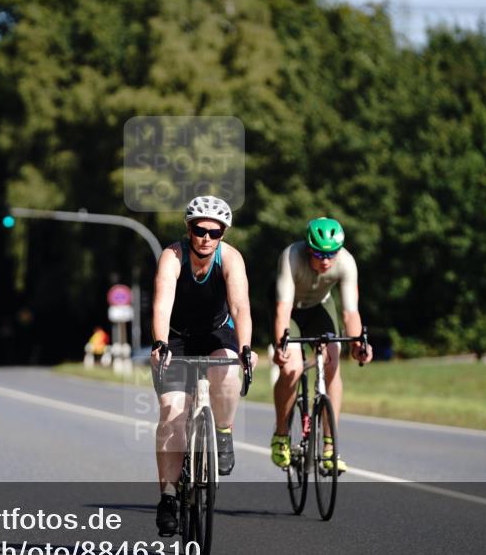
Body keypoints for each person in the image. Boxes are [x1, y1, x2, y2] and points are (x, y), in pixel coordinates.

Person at [150, 195, 257, 537]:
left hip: (216, 333)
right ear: (189, 229)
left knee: (227, 368)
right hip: (177, 337)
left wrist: (245, 348)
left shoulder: (231, 259)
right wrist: (160, 343)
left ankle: (223, 433)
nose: (206, 238)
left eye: (215, 232)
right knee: (171, 411)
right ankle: (168, 496)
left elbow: (240, 307)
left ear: (223, 233)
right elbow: (163, 302)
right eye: (200, 230)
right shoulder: (172, 256)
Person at [270, 217, 374, 472]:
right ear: (308, 249)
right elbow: (282, 307)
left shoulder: (347, 262)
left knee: (332, 364)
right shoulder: (291, 257)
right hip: (291, 311)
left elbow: (350, 313)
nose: (326, 261)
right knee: (292, 369)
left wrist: (359, 345)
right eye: (319, 254)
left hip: (320, 309)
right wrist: (281, 345)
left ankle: (329, 447)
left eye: (331, 254)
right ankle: (281, 435)